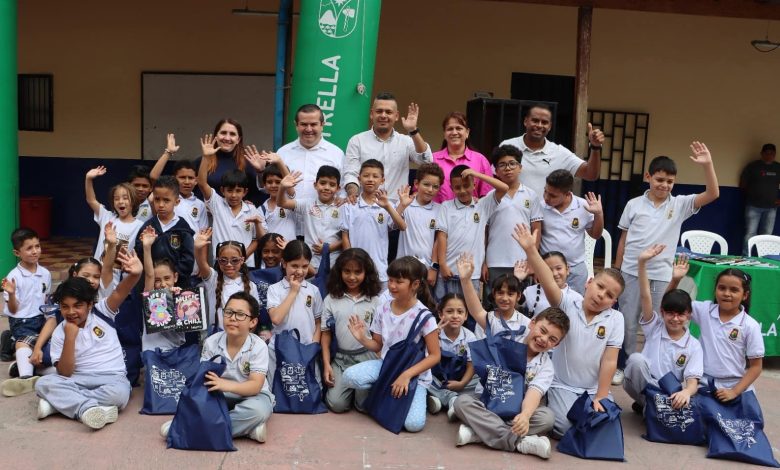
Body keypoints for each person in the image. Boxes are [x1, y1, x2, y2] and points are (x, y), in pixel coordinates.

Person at [613, 142, 719, 385]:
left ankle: (655, 365)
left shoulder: (680, 204)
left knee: (660, 322)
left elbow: (713, 194)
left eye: (670, 181)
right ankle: (628, 365)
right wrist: (616, 270)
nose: (664, 185)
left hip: (662, 274)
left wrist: (708, 165)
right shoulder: (634, 204)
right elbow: (623, 239)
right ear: (648, 177)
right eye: (660, 179)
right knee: (628, 321)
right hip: (630, 271)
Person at [512, 223, 625, 438]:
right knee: (564, 428)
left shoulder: (616, 319)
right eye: (600, 287)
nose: (602, 295)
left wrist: (601, 396)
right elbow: (547, 280)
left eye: (609, 295)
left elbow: (610, 361)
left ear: (614, 302)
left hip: (593, 389)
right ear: (588, 283)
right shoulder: (568, 302)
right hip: (561, 385)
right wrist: (530, 250)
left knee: (604, 428)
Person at [33, 250, 142, 430]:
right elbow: (65, 373)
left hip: (111, 379)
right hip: (77, 379)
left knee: (119, 395)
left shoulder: (103, 311)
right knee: (43, 383)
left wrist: (135, 274)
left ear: (90, 305)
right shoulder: (61, 331)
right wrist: (70, 337)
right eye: (65, 307)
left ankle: (58, 405)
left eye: (78, 306)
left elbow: (121, 291)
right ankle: (88, 409)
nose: (71, 312)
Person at [453, 308, 570, 460]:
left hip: (518, 411)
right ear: (532, 323)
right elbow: (477, 311)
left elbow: (534, 393)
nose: (544, 339)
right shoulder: (508, 339)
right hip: (489, 403)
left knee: (547, 418)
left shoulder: (546, 366)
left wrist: (525, 416)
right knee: (461, 402)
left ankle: (479, 433)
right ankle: (519, 443)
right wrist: (466, 282)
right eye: (542, 330)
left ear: (556, 344)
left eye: (552, 339)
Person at [341, 257, 441, 433]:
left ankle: (420, 395)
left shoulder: (425, 317)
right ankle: (389, 389)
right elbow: (378, 345)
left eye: (399, 282)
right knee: (349, 377)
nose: (392, 286)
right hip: (387, 365)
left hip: (415, 374)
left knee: (413, 425)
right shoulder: (383, 308)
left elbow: (435, 356)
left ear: (415, 284)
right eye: (390, 280)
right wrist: (362, 338)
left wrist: (406, 375)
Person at [161, 292, 274, 443]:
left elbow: (255, 386)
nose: (233, 318)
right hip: (220, 394)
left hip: (254, 396)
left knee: (257, 412)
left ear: (253, 322)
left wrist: (226, 385)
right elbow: (204, 379)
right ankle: (248, 430)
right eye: (229, 312)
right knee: (193, 402)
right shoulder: (211, 342)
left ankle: (185, 430)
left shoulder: (258, 346)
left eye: (240, 314)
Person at [623, 245, 702, 414]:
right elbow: (645, 294)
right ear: (662, 313)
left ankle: (648, 407)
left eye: (681, 314)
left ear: (689, 315)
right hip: (641, 385)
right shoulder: (655, 327)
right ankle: (650, 404)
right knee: (636, 360)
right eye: (670, 314)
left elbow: (692, 381)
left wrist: (686, 392)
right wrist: (642, 263)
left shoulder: (693, 345)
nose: (675, 319)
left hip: (669, 393)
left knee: (692, 399)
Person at [669, 259, 763, 399]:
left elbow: (756, 367)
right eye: (722, 288)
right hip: (703, 383)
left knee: (750, 421)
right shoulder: (704, 310)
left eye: (734, 290)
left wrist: (735, 392)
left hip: (736, 385)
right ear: (715, 290)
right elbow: (671, 304)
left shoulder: (750, 325)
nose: (726, 293)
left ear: (745, 295)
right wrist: (675, 280)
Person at [321, 248, 382, 413]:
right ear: (339, 272)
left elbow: (379, 340)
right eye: (347, 271)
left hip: (367, 358)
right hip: (341, 361)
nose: (352, 277)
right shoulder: (331, 299)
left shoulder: (375, 301)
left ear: (366, 273)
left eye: (357, 272)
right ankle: (349, 390)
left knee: (364, 406)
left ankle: (359, 395)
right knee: (336, 405)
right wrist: (327, 365)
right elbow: (325, 334)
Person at [434, 165, 509, 301]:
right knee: (444, 311)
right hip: (448, 272)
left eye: (466, 185)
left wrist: (476, 173)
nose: (462, 191)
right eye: (457, 187)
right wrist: (442, 264)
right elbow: (441, 236)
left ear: (474, 185)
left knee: (470, 314)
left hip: (471, 274)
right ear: (451, 188)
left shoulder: (483, 205)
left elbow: (504, 187)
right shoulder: (446, 206)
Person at [343, 92, 433, 202]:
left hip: (397, 208)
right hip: (365, 206)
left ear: (396, 116)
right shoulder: (357, 141)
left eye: (389, 112)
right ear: (372, 114)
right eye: (379, 111)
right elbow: (351, 174)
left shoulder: (406, 141)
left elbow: (427, 161)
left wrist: (413, 131)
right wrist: (353, 195)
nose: (383, 115)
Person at [499, 103, 605, 196]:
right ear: (526, 121)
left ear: (550, 126)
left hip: (545, 217)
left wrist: (595, 147)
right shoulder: (508, 145)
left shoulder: (559, 152)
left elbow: (590, 174)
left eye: (544, 122)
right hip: (512, 215)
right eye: (535, 120)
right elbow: (495, 177)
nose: (539, 125)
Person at [484, 145, 542, 300]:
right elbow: (484, 231)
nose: (508, 168)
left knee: (520, 304)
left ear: (520, 167)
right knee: (494, 304)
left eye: (512, 163)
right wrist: (484, 261)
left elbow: (536, 230)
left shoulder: (531, 196)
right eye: (502, 165)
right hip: (494, 261)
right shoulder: (490, 197)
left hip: (522, 262)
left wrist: (532, 261)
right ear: (495, 170)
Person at [199, 135, 265, 268]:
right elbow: (201, 183)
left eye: (238, 191)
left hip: (246, 265)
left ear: (245, 192)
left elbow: (259, 240)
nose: (234, 195)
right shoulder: (217, 204)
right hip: (221, 264)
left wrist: (242, 257)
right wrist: (206, 157)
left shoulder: (252, 210)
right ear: (222, 190)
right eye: (230, 190)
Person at [341, 160, 408, 290]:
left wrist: (388, 206)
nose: (370, 179)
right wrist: (350, 263)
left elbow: (402, 226)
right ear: (359, 179)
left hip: (380, 269)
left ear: (382, 180)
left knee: (378, 308)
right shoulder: (350, 205)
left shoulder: (387, 205)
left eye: (375, 176)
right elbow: (345, 236)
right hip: (356, 270)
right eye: (366, 175)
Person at [1, 228, 51, 396]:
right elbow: (13, 310)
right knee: (24, 342)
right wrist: (12, 293)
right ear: (17, 252)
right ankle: (26, 377)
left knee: (47, 345)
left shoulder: (45, 273)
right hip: (21, 321)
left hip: (40, 319)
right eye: (29, 248)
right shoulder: (14, 277)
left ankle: (21, 365)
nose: (35, 251)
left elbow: (45, 300)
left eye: (37, 246)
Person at [266, 240, 323, 387]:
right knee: (279, 390)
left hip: (306, 348)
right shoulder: (274, 289)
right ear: (284, 263)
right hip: (280, 348)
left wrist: (314, 345)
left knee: (309, 389)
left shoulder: (313, 290)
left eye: (304, 266)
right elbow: (276, 319)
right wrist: (293, 291)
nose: (299, 271)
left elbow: (318, 322)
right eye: (294, 266)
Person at [540, 169, 604, 295]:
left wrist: (599, 214)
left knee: (574, 308)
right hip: (547, 269)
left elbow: (596, 235)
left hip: (575, 270)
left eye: (553, 195)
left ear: (567, 194)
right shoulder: (540, 206)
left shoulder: (584, 205)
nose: (547, 198)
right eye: (545, 191)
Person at [194, 229, 260, 332]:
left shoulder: (251, 286)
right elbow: (202, 263)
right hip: (217, 335)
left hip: (242, 336)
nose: (229, 265)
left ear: (242, 260)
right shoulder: (213, 279)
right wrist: (198, 249)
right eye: (223, 261)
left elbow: (254, 316)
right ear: (218, 260)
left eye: (234, 260)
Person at [133, 176, 195, 287]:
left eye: (166, 200)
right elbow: (138, 256)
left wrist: (170, 278)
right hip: (151, 287)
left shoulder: (183, 228)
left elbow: (188, 260)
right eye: (157, 199)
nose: (161, 205)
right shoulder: (147, 227)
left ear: (177, 202)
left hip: (178, 286)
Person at [278, 166, 343, 270]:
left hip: (335, 262)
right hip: (310, 263)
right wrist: (282, 187)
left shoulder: (343, 207)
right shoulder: (307, 204)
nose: (326, 187)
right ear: (315, 185)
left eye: (332, 185)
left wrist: (329, 248)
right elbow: (282, 203)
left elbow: (348, 236)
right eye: (322, 183)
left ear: (338, 188)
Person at [426, 293, 478, 420]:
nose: (455, 316)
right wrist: (433, 335)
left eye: (460, 312)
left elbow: (472, 365)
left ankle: (437, 398)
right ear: (440, 314)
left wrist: (462, 383)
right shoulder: (433, 333)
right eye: (449, 311)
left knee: (481, 381)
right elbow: (424, 361)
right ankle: (452, 400)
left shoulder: (470, 336)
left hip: (460, 380)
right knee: (421, 378)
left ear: (466, 315)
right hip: (437, 379)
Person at [456, 252, 529, 340]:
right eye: (500, 293)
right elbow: (476, 311)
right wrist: (465, 280)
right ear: (494, 293)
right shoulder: (489, 319)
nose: (505, 298)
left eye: (510, 294)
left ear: (518, 296)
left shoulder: (526, 323)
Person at [395, 163, 445, 286]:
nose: (430, 189)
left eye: (435, 186)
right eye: (426, 184)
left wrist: (433, 267)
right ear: (417, 184)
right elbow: (393, 224)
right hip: (403, 268)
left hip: (427, 270)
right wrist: (402, 206)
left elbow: (439, 240)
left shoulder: (440, 210)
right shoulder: (404, 204)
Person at [149, 134, 209, 236]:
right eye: (182, 177)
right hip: (169, 249)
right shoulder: (167, 198)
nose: (186, 182)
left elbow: (203, 235)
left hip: (190, 250)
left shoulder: (200, 205)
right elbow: (153, 177)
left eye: (190, 178)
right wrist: (168, 152)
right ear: (174, 178)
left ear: (196, 180)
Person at [138, 228, 186, 352]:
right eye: (157, 280)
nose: (163, 284)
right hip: (152, 354)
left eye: (167, 278)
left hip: (175, 353)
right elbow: (149, 274)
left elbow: (190, 320)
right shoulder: (150, 296)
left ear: (175, 277)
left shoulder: (181, 295)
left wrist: (177, 300)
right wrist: (147, 247)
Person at [432, 112, 492, 203]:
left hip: (471, 214)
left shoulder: (480, 160)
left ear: (467, 132)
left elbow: (488, 195)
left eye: (459, 128)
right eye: (450, 129)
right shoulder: (433, 159)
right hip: (439, 215)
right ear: (444, 134)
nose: (454, 132)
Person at [85, 166, 143, 260]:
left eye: (125, 198)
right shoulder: (106, 217)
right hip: (99, 270)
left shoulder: (140, 226)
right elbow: (91, 200)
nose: (120, 201)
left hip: (120, 272)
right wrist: (88, 179)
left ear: (133, 201)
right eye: (116, 198)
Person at [514, 252, 583, 319]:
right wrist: (517, 280)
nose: (555, 273)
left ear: (567, 269)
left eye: (558, 268)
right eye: (548, 270)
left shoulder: (577, 299)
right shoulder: (529, 291)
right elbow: (513, 308)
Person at [740, 143, 780, 255]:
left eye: (772, 153)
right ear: (761, 154)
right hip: (753, 206)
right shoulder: (753, 166)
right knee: (750, 234)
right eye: (766, 153)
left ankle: (764, 259)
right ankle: (746, 258)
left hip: (771, 208)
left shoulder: (778, 168)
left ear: (775, 154)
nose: (769, 155)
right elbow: (742, 184)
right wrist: (753, 194)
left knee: (767, 235)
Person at [256, 161, 297, 243]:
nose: (273, 185)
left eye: (278, 182)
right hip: (272, 252)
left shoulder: (291, 201)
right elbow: (262, 237)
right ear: (264, 184)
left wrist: (278, 161)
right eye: (269, 182)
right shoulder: (261, 209)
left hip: (290, 251)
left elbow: (290, 189)